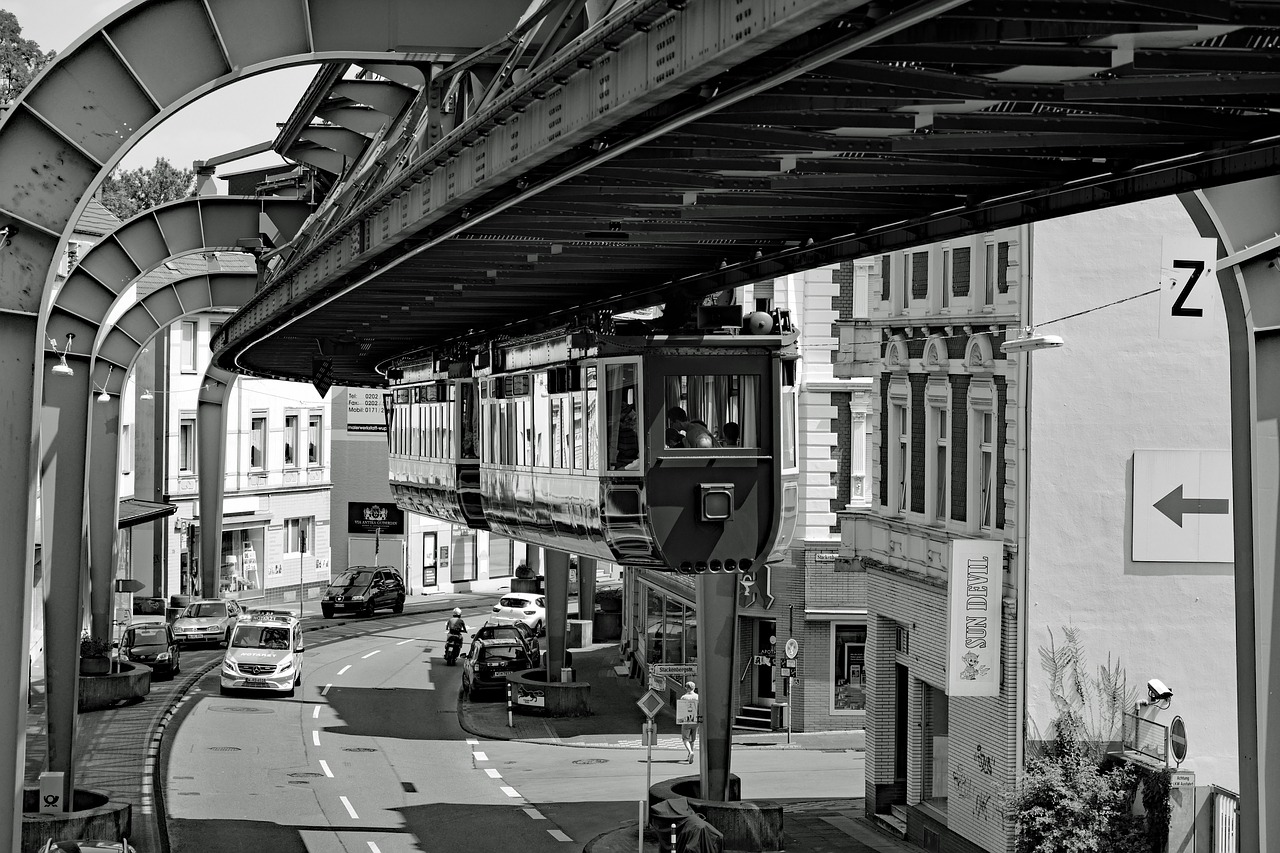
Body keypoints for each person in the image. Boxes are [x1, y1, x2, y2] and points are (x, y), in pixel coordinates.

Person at [679, 681, 699, 764]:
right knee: (693, 739)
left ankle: (690, 752)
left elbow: (682, 709)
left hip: (687, 719)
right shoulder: (698, 697)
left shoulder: (684, 697)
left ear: (687, 688)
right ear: (694, 688)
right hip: (696, 719)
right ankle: (689, 755)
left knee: (685, 738)